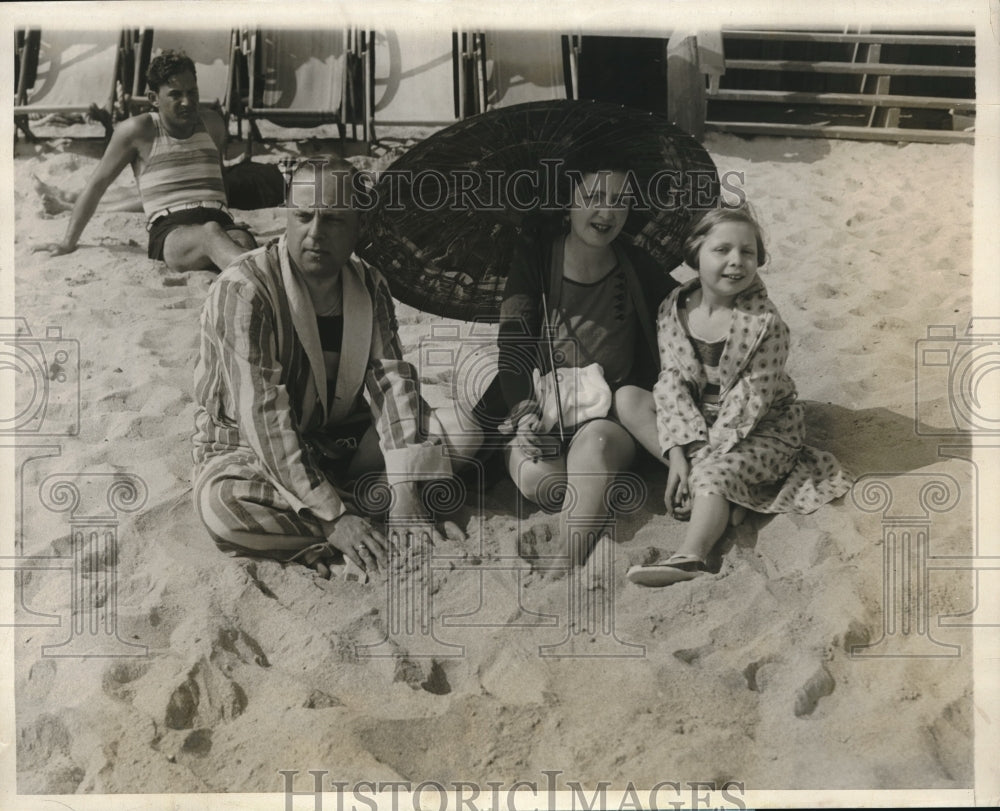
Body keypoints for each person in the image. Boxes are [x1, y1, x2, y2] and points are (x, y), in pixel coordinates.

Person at [192, 158, 462, 578]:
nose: (315, 233)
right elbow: (263, 416)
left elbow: (392, 383)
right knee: (223, 509)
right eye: (303, 216)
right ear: (287, 216)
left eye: (334, 219)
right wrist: (333, 516)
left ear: (359, 226)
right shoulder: (245, 289)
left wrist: (406, 490)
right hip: (248, 449)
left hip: (338, 442)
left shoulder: (368, 284)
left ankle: (373, 508)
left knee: (463, 430)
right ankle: (351, 519)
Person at [622, 204, 852, 587]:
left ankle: (691, 555)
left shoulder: (765, 324)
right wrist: (678, 452)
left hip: (760, 428)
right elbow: (672, 383)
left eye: (747, 252)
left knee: (713, 474)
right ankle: (715, 492)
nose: (736, 261)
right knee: (628, 399)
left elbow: (749, 404)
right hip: (700, 418)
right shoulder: (674, 308)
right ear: (695, 253)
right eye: (722, 250)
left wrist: (703, 458)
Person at [489, 160, 677, 570]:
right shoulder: (537, 259)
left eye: (620, 200)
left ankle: (568, 557)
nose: (607, 211)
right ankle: (592, 490)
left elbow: (683, 306)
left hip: (610, 419)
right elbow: (513, 345)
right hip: (546, 416)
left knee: (595, 447)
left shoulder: (635, 264)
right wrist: (524, 414)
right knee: (541, 482)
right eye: (594, 197)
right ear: (569, 199)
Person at [33, 50, 257, 271]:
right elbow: (97, 185)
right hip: (173, 231)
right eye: (176, 95)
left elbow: (218, 179)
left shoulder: (212, 123)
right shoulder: (138, 131)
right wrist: (67, 242)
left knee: (244, 243)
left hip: (220, 223)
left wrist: (224, 216)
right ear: (153, 99)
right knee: (211, 234)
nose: (187, 102)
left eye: (192, 92)